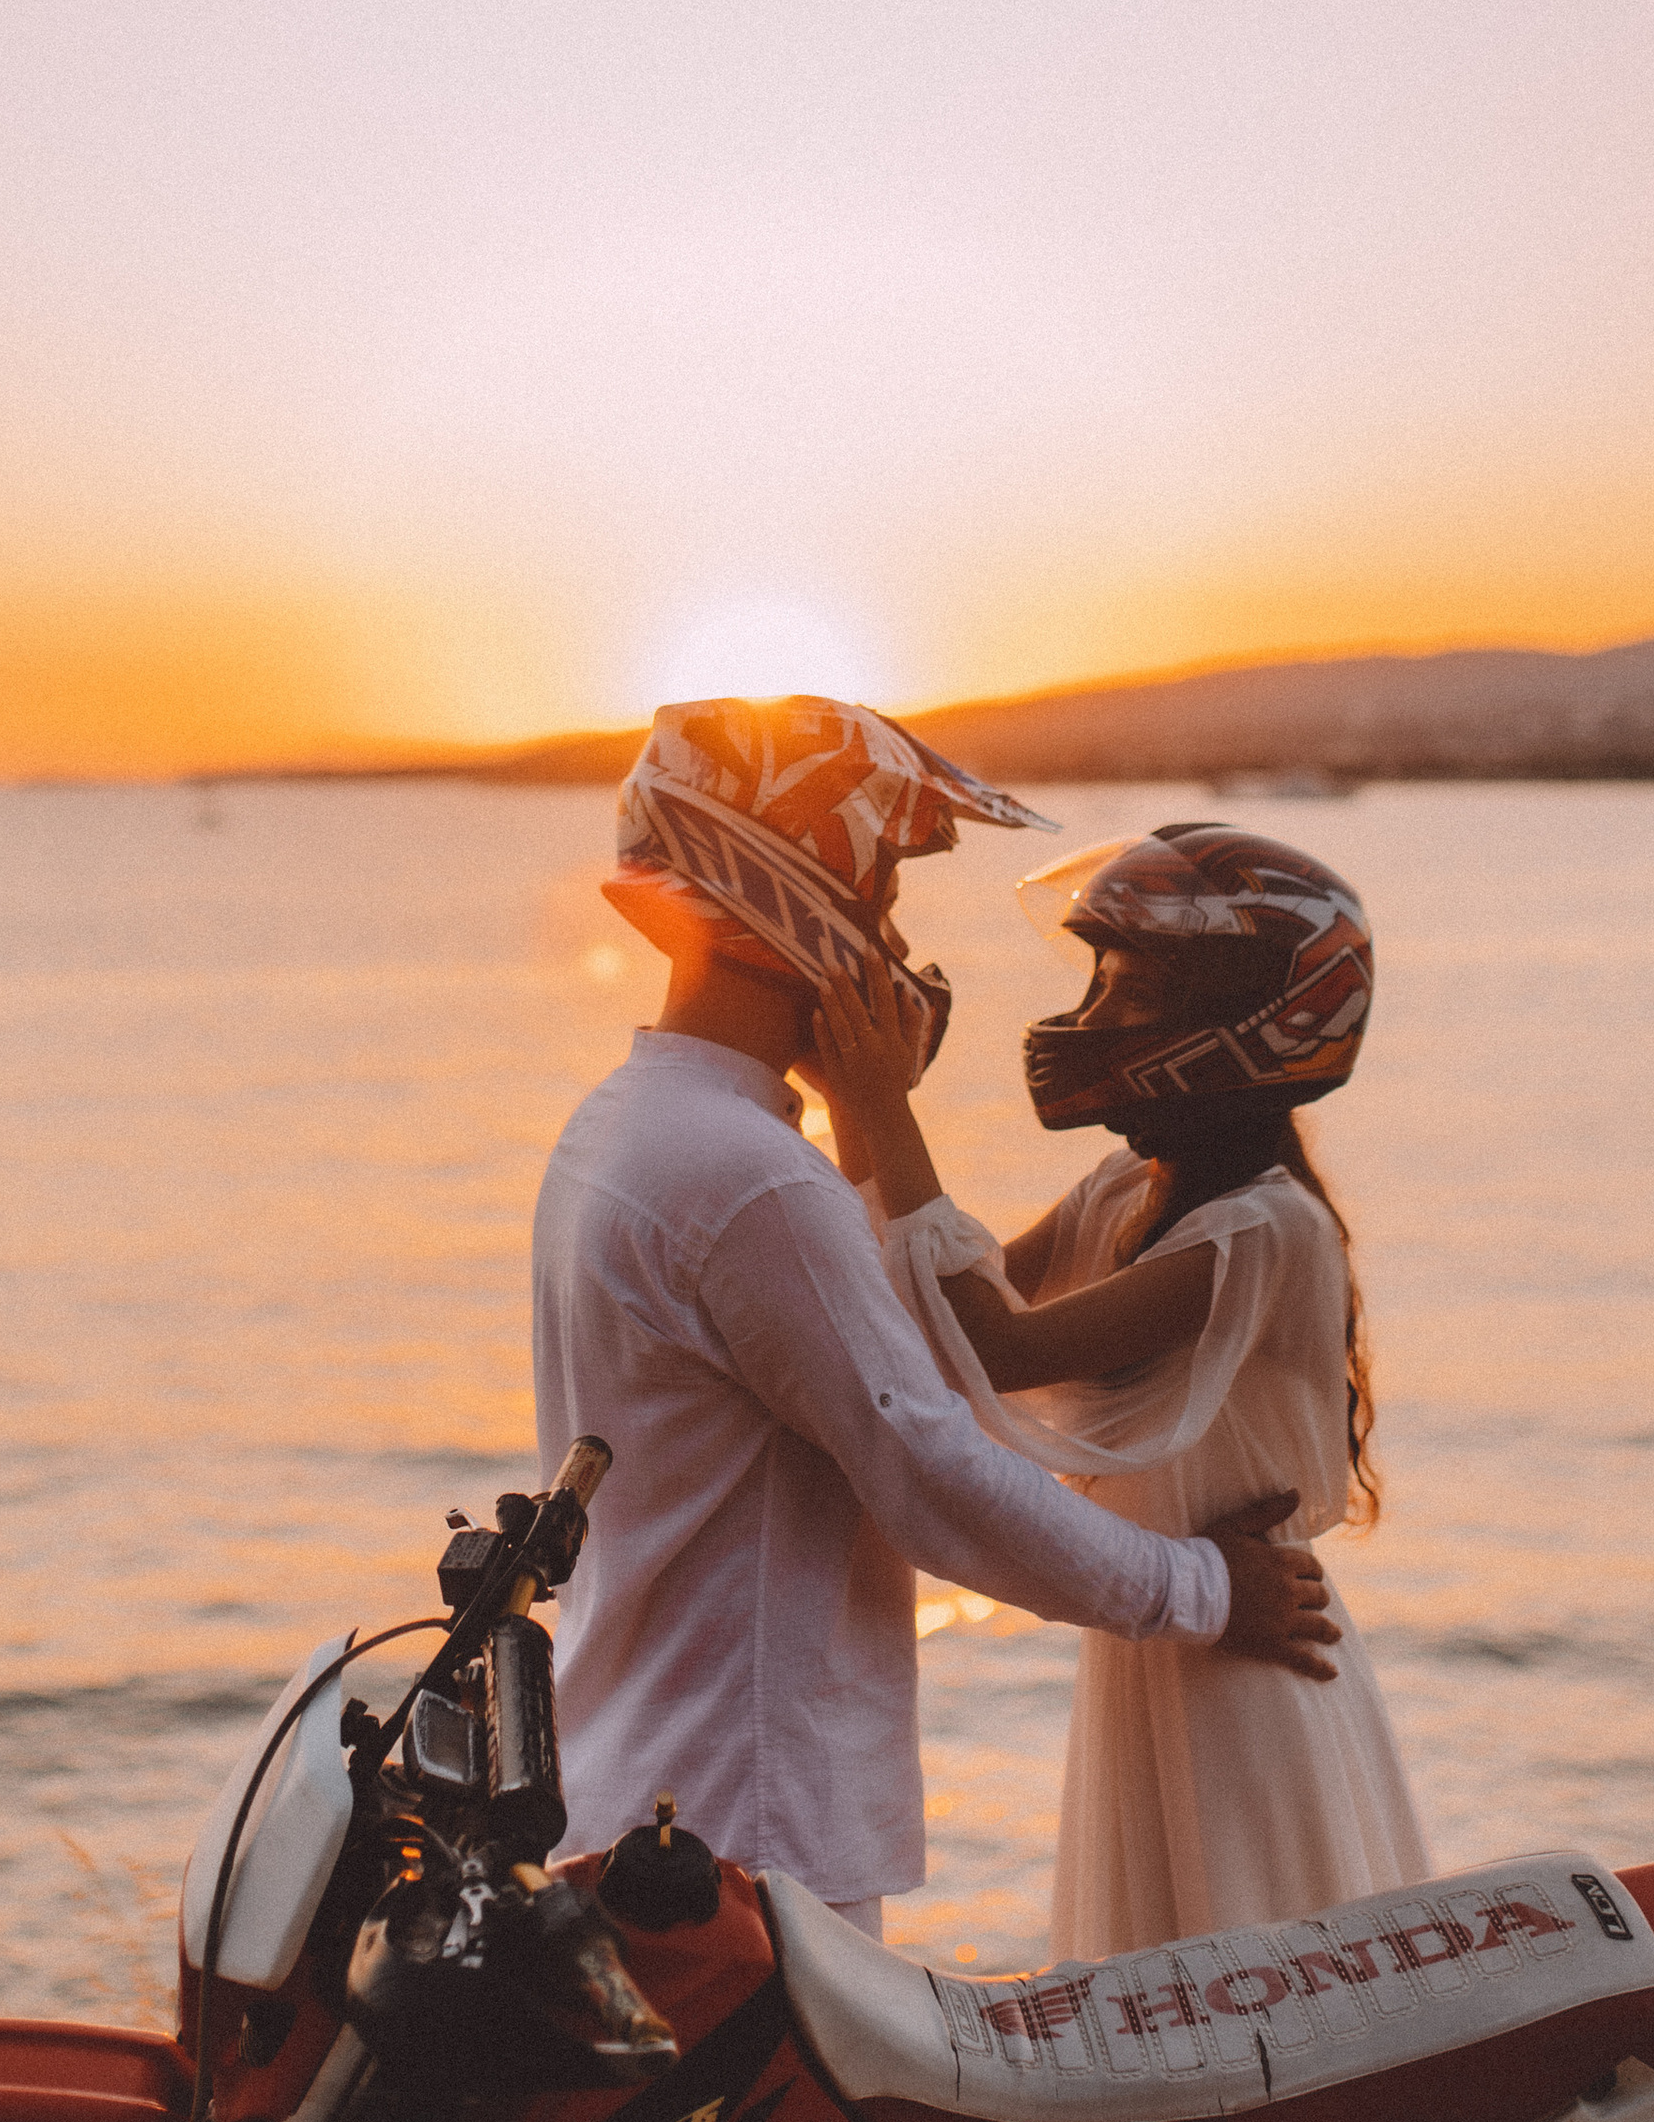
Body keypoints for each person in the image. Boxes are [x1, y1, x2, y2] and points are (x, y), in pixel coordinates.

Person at [536, 707, 1341, 1938]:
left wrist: (868, 1122)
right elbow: (929, 1464)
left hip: (651, 1782)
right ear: (804, 893)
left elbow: (912, 1359)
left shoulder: (624, 1130)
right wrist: (1200, 1585)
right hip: (745, 1820)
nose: (897, 942)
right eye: (886, 894)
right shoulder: (754, 1180)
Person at [811, 819, 1431, 1959]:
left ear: (1250, 1023)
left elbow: (994, 1343)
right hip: (1179, 1633)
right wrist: (855, 1108)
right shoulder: (1120, 1186)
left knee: (1249, 1977)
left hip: (1247, 1670)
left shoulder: (1266, 1232)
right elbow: (943, 1317)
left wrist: (882, 1106)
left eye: (1130, 988)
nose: (1091, 1013)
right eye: (1096, 979)